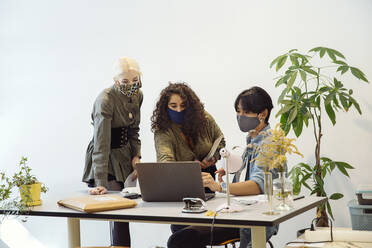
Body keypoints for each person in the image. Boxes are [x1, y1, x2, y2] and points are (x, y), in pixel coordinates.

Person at [151, 82, 239, 248]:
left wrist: (212, 158)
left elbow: (220, 142)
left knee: (183, 236)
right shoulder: (163, 129)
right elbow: (165, 161)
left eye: (183, 105)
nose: (178, 110)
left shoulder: (204, 118)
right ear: (165, 107)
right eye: (173, 105)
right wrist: (188, 167)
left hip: (208, 182)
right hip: (181, 183)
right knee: (179, 227)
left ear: (190, 106)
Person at [202, 86, 279, 248]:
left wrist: (219, 186)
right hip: (241, 213)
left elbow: (258, 185)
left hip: (254, 219)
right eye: (238, 111)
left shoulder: (269, 143)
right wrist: (232, 167)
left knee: (181, 239)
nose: (240, 117)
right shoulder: (252, 138)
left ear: (263, 114)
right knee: (180, 230)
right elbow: (250, 172)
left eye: (245, 112)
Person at [82, 57, 143, 248]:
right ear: (116, 80)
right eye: (125, 82)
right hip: (106, 157)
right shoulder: (105, 100)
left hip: (125, 154)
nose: (131, 85)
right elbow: (101, 143)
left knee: (128, 208)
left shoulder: (138, 94)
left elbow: (134, 129)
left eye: (135, 80)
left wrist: (137, 156)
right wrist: (100, 182)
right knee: (118, 211)